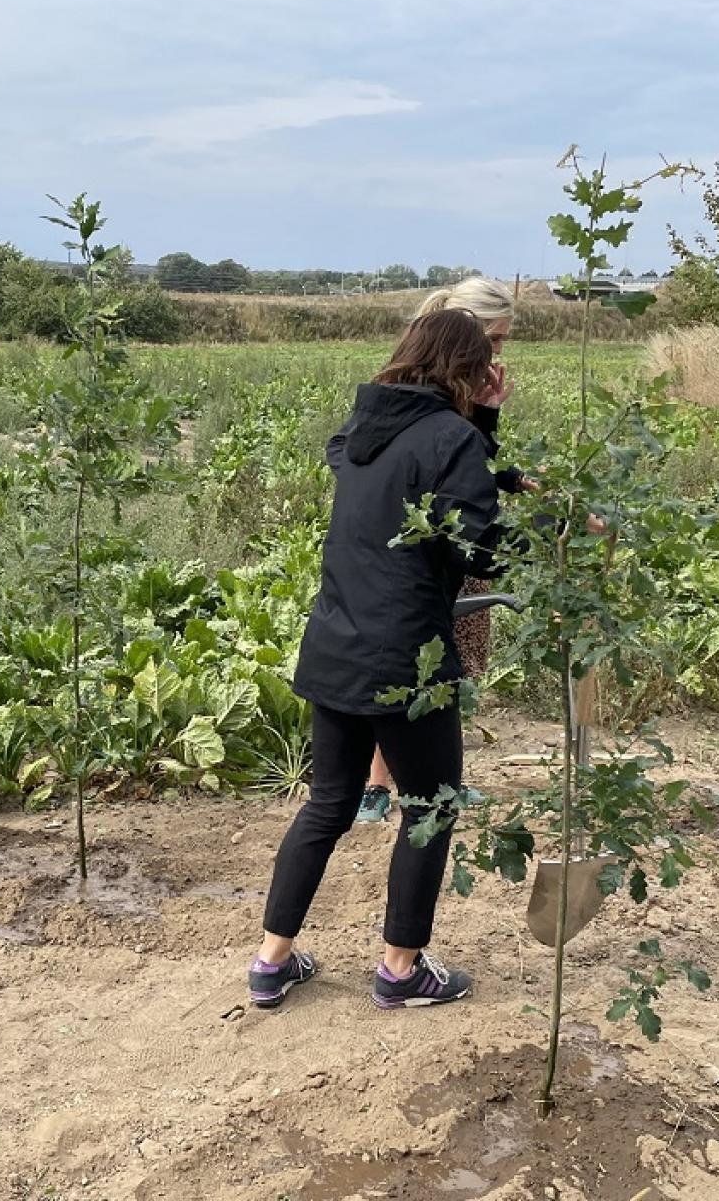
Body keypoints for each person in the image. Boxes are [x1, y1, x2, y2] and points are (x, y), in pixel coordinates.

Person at [249, 308, 514, 1010]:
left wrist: (478, 428)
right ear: (464, 368)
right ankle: (401, 971)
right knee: (431, 806)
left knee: (329, 804)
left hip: (337, 647)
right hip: (409, 663)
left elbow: (422, 482)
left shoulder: (361, 433)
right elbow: (479, 548)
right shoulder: (451, 436)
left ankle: (272, 963)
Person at [356, 276, 532, 824]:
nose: (498, 352)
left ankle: (437, 781)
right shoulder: (426, 379)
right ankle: (378, 787)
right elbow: (453, 461)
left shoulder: (459, 382)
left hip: (448, 537)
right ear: (468, 331)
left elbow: (473, 460)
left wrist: (512, 467)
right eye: (495, 339)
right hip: (429, 547)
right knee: (409, 666)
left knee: (444, 665)